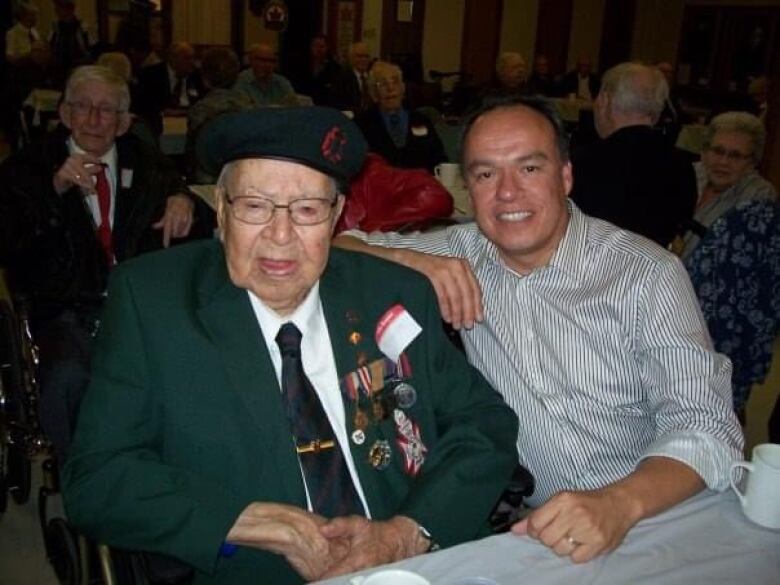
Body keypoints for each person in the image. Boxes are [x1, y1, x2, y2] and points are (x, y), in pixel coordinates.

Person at [61, 106, 519, 584]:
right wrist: (251, 520)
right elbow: (97, 478)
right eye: (255, 206)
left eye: (306, 210)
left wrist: (408, 532)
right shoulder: (153, 303)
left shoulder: (391, 293)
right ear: (221, 207)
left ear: (336, 214)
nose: (280, 237)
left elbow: (484, 423)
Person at [335, 95, 743, 563]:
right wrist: (408, 259)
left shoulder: (645, 274)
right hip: (544, 534)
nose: (507, 192)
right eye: (486, 174)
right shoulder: (463, 250)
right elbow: (340, 248)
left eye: (529, 168)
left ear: (566, 176)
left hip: (656, 518)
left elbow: (708, 427)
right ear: (468, 187)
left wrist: (617, 503)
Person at [0, 65, 210, 463]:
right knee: (68, 380)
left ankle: (170, 466)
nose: (94, 120)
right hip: (65, 308)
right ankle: (86, 473)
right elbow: (9, 242)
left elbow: (196, 220)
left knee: (193, 365)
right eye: (83, 107)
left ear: (124, 122)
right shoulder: (27, 168)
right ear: (63, 114)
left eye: (107, 110)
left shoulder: (148, 165)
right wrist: (54, 190)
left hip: (139, 309)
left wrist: (186, 202)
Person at [681, 111, 779, 419]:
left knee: (717, 406)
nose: (723, 162)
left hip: (720, 320)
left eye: (736, 156)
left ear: (752, 163)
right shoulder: (689, 174)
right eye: (717, 151)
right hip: (669, 295)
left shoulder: (759, 197)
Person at [569, 62, 697, 247]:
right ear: (658, 112)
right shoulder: (683, 166)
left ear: (604, 101)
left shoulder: (583, 163)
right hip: (654, 273)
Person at [355, 61, 447, 172]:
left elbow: (440, 160)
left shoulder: (421, 120)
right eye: (383, 84)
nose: (390, 88)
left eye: (395, 82)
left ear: (403, 89)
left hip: (419, 186)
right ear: (374, 93)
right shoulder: (361, 124)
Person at [187, 46, 254, 183]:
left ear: (205, 78)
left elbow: (192, 154)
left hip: (205, 181)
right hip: (241, 178)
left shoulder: (200, 111)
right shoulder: (248, 108)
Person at [135, 41, 205, 134]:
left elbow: (202, 101)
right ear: (173, 58)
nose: (192, 62)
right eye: (187, 58)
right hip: (159, 123)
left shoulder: (196, 76)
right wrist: (163, 112)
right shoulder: (150, 74)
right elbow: (142, 104)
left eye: (193, 58)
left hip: (189, 123)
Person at [232, 42, 297, 107]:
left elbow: (293, 105)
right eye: (263, 60)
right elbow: (241, 109)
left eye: (272, 61)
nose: (268, 65)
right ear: (251, 60)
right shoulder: (241, 81)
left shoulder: (281, 82)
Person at [289, 34, 342, 106]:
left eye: (322, 46)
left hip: (325, 105)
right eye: (315, 46)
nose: (318, 49)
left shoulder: (335, 68)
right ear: (311, 47)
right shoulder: (301, 65)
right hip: (304, 105)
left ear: (327, 48)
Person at [330, 41, 373, 115]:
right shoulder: (341, 78)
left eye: (366, 56)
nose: (363, 60)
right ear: (351, 58)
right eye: (359, 56)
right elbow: (336, 103)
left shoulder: (373, 76)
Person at [48, 0, 92, 74]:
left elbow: (89, 48)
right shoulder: (56, 27)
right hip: (59, 69)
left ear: (69, 10)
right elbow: (51, 45)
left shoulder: (81, 27)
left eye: (59, 9)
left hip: (78, 67)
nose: (56, 12)